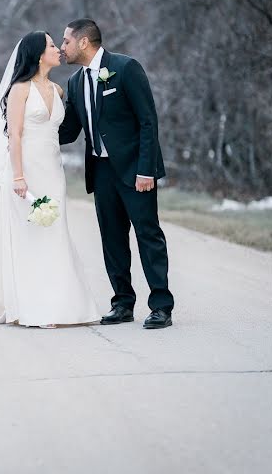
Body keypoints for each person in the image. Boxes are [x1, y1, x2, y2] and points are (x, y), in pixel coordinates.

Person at [0, 31, 100, 328]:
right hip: (25, 171)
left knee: (55, 233)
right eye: (53, 45)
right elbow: (14, 134)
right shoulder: (20, 89)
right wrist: (17, 176)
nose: (59, 49)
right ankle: (37, 309)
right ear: (38, 54)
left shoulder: (58, 90)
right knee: (31, 237)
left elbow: (64, 130)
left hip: (53, 171)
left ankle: (62, 305)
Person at [58, 19, 175, 329]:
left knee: (148, 235)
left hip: (136, 169)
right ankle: (122, 303)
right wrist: (30, 130)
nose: (62, 47)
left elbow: (148, 121)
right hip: (102, 171)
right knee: (112, 239)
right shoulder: (74, 81)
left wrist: (146, 170)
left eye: (66, 41)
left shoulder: (125, 68)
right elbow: (68, 131)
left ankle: (161, 305)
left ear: (83, 42)